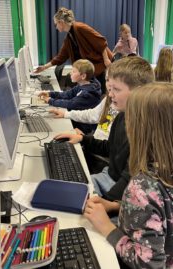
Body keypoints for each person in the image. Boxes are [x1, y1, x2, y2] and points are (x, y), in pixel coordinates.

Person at [84, 82, 173, 269]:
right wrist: (117, 206)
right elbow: (163, 214)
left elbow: (149, 264)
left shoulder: (142, 186)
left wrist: (106, 228)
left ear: (140, 129)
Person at [54, 56, 155, 201]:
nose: (110, 94)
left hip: (121, 190)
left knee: (67, 199)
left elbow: (130, 181)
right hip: (109, 176)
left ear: (138, 92)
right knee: (62, 191)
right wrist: (83, 139)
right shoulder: (122, 117)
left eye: (116, 89)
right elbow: (109, 147)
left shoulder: (144, 129)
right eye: (110, 87)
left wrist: (104, 203)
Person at [34, 7, 112, 93]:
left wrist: (106, 59)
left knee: (97, 94)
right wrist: (44, 67)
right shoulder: (69, 36)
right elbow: (60, 57)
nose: (56, 27)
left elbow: (100, 41)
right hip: (90, 68)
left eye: (56, 24)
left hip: (98, 65)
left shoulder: (80, 27)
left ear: (61, 22)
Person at [39, 59, 102, 134]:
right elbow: (67, 94)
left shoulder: (88, 94)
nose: (70, 73)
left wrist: (50, 100)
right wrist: (50, 94)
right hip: (76, 118)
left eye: (73, 71)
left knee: (54, 127)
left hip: (83, 126)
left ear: (83, 76)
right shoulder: (82, 85)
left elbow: (71, 103)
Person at [49, 75, 118, 140]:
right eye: (107, 80)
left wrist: (84, 139)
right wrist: (66, 114)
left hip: (97, 148)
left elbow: (109, 147)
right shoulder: (109, 98)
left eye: (117, 87)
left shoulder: (88, 93)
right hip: (95, 143)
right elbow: (94, 115)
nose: (109, 86)